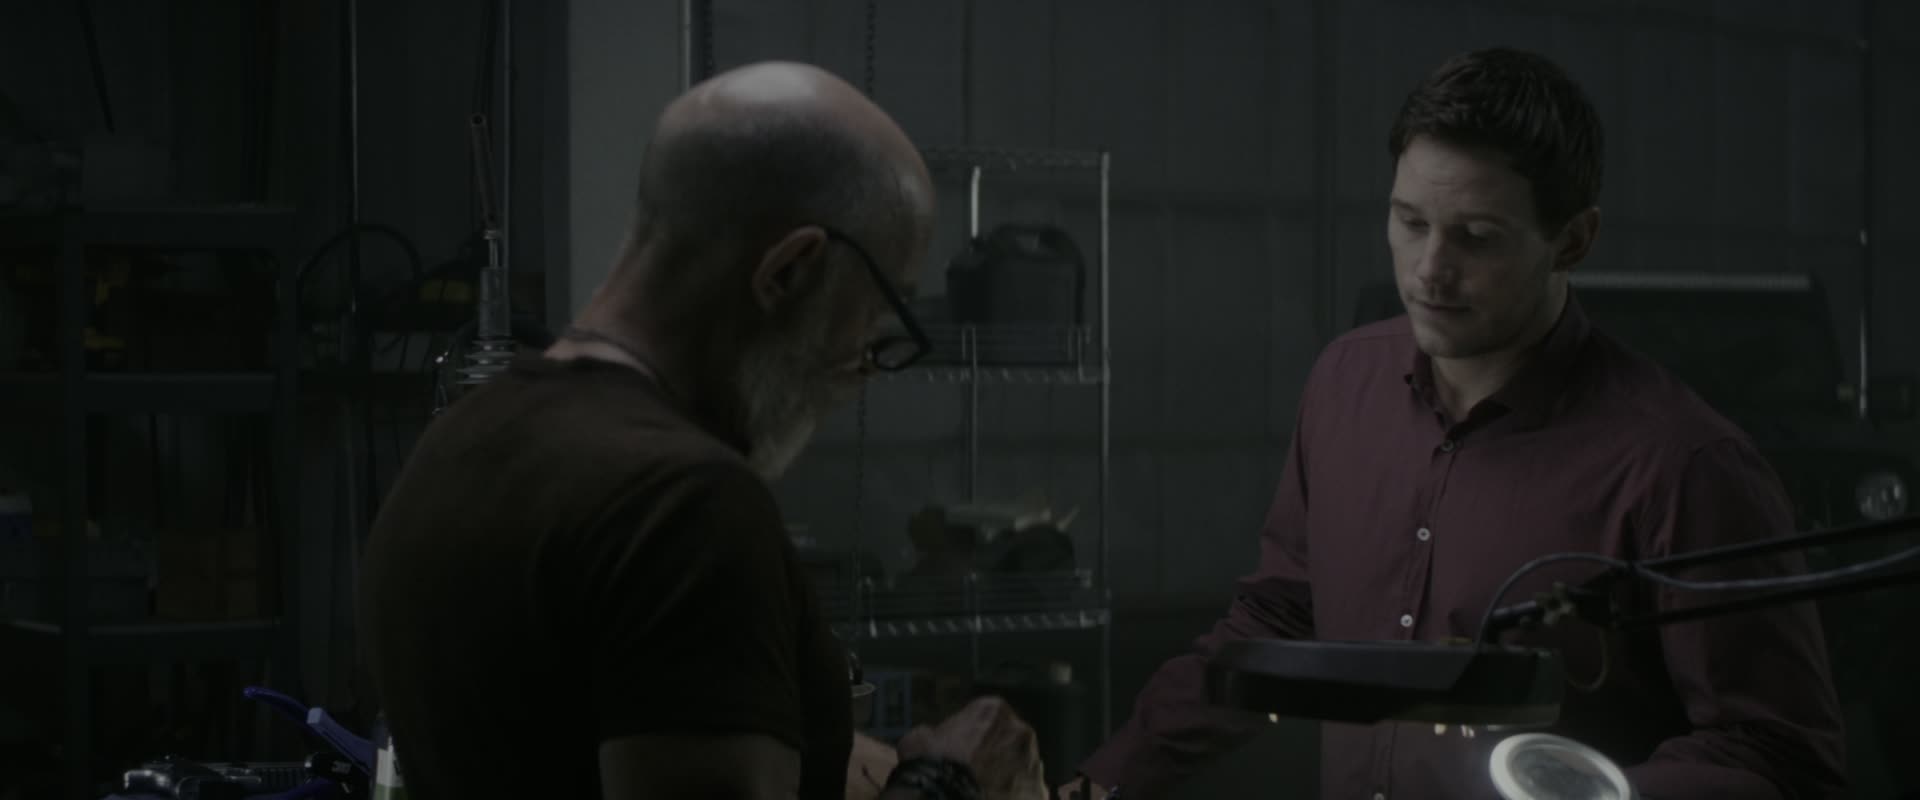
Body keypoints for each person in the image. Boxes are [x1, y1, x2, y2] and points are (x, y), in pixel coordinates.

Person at [1062, 47, 1847, 799]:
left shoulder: (1684, 463)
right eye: (1410, 222)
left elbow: (1778, 754)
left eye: (1476, 238)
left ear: (1573, 240)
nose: (1429, 270)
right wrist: (1097, 788)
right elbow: (1276, 619)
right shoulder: (1343, 384)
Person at [357, 61, 1046, 800]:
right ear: (790, 270)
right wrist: (948, 783)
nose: (866, 364)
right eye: (878, 317)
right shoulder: (683, 508)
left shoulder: (462, 438)